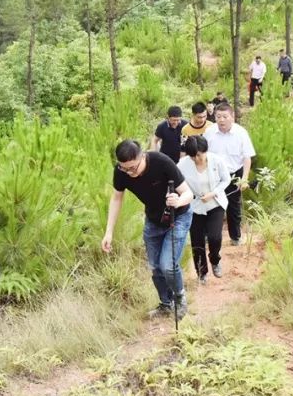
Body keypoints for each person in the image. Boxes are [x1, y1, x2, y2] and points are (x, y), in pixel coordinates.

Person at [101, 140, 194, 321]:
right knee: (155, 267)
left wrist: (178, 200)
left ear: (142, 156)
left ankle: (180, 298)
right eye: (125, 169)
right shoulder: (121, 172)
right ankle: (166, 304)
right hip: (153, 220)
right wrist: (109, 232)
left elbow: (188, 194)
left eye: (133, 168)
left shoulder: (162, 162)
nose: (130, 173)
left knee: (168, 265)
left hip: (178, 216)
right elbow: (117, 199)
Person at [177, 135, 231, 283]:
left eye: (199, 155)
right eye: (193, 157)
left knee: (215, 237)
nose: (197, 159)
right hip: (194, 207)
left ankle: (215, 260)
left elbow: (226, 179)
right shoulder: (182, 164)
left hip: (215, 203)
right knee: (197, 241)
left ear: (205, 151)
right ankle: (201, 272)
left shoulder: (216, 161)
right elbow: (177, 182)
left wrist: (213, 193)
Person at [206, 103, 256, 246]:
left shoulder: (241, 133)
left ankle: (235, 237)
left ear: (232, 117)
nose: (221, 120)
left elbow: (247, 157)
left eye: (225, 117)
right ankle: (209, 236)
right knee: (211, 205)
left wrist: (244, 179)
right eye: (218, 117)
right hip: (214, 175)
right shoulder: (209, 132)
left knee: (234, 206)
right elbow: (203, 154)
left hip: (234, 174)